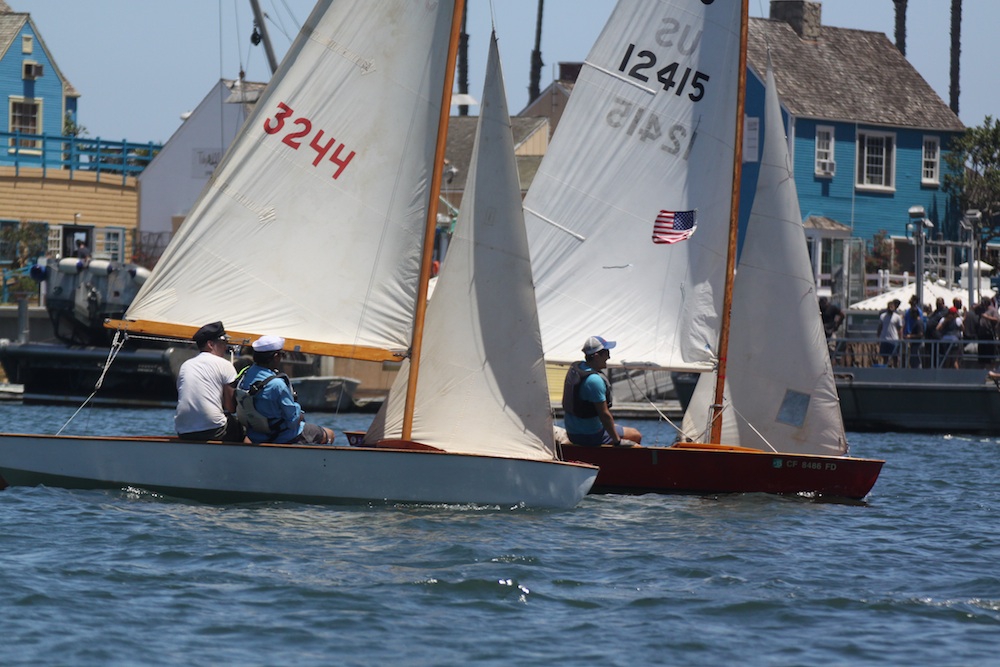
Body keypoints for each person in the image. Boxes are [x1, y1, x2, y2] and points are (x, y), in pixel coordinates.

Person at [235, 335, 335, 445]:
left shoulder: (245, 376)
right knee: (329, 434)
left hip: (256, 435)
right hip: (283, 436)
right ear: (276, 356)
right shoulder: (277, 385)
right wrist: (299, 413)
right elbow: (292, 420)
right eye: (282, 355)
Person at [561, 336, 642, 447]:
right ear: (596, 356)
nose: (609, 356)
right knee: (635, 435)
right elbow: (604, 415)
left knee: (623, 430)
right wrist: (617, 441)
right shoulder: (594, 381)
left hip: (573, 433)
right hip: (589, 435)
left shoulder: (578, 368)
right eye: (606, 353)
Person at [175, 321, 245, 442]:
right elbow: (231, 407)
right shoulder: (224, 364)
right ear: (210, 344)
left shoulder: (186, 365)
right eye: (223, 342)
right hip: (213, 430)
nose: (225, 346)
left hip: (183, 430)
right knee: (245, 427)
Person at [876, 299, 902, 367]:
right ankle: (886, 371)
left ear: (894, 308)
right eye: (889, 307)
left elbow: (900, 329)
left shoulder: (897, 317)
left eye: (892, 307)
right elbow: (880, 327)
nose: (890, 308)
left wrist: (900, 339)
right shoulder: (882, 316)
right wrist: (878, 337)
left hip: (894, 340)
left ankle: (896, 370)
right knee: (885, 358)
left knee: (895, 357)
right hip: (884, 340)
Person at [902, 300, 925, 369]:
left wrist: (910, 336)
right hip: (914, 344)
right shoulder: (916, 322)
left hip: (917, 344)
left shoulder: (919, 322)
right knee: (912, 359)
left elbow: (921, 334)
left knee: (916, 359)